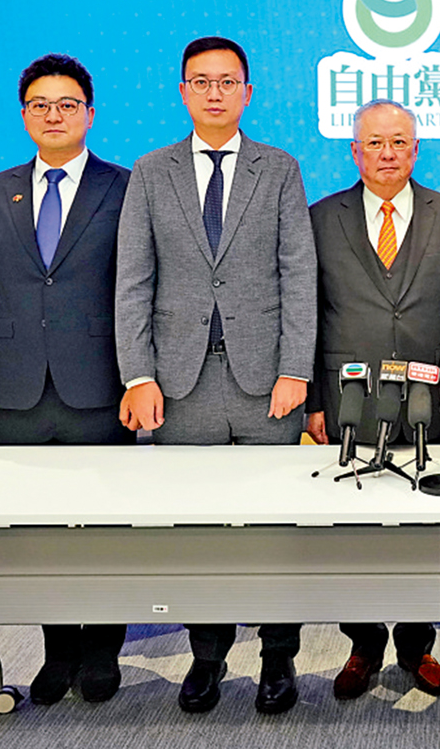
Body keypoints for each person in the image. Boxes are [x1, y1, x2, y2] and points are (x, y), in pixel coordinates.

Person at [114, 36, 316, 715]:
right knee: (196, 531)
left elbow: (299, 275)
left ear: (247, 92)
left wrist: (295, 368)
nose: (214, 93)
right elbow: (133, 281)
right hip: (181, 384)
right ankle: (206, 656)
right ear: (182, 92)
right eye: (201, 81)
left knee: (275, 529)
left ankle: (278, 656)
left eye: (227, 81)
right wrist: (138, 374)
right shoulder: (151, 171)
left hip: (267, 384)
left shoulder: (279, 168)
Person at [0, 53, 134, 705]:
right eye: (40, 105)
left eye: (67, 104)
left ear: (90, 113)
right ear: (24, 115)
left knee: (106, 527)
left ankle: (103, 650)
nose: (54, 115)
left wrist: (140, 378)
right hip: (16, 389)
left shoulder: (124, 186)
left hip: (100, 385)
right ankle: (58, 651)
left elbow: (138, 291)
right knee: (37, 531)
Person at [305, 99, 440, 702]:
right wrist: (315, 400)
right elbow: (308, 315)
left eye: (399, 142)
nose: (388, 153)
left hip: (428, 399)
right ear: (355, 151)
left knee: (428, 527)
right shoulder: (322, 217)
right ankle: (363, 644)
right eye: (375, 143)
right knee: (358, 532)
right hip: (351, 400)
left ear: (416, 149)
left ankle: (418, 645)